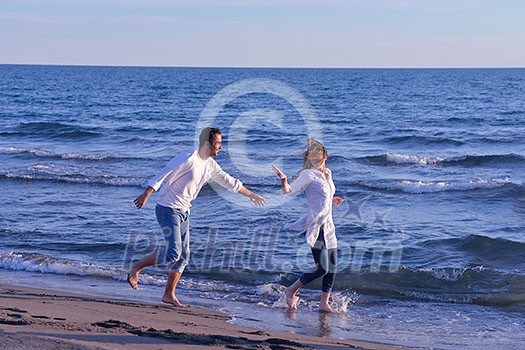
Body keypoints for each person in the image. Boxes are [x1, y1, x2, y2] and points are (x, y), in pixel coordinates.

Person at [128, 127, 265, 307]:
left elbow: (229, 181)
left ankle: (168, 294)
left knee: (183, 256)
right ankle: (136, 267)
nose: (221, 147)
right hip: (167, 208)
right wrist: (147, 193)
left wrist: (251, 195)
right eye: (218, 143)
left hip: (184, 211)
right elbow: (164, 173)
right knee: (173, 253)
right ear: (207, 143)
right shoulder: (188, 158)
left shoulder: (210, 165)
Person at [272, 139, 344, 313]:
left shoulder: (327, 173)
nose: (316, 160)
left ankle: (323, 303)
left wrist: (331, 200)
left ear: (325, 156)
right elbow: (288, 191)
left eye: (318, 156)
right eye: (313, 157)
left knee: (332, 266)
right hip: (315, 225)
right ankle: (291, 290)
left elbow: (324, 193)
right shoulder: (308, 174)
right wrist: (283, 181)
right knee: (322, 268)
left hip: (328, 225)